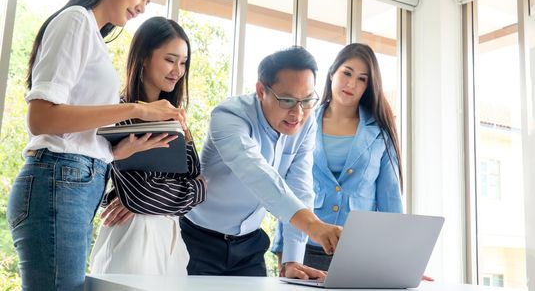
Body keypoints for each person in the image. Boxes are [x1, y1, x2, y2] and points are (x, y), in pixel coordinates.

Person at [6, 0, 184, 291]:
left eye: (149, 1)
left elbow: (72, 128)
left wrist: (116, 152)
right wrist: (138, 109)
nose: (142, 6)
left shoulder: (91, 34)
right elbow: (41, 118)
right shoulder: (75, 20)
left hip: (74, 180)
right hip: (59, 180)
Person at [180, 46, 342, 280]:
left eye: (307, 100)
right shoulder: (228, 116)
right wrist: (313, 225)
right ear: (260, 90)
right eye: (287, 100)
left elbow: (300, 185)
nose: (297, 113)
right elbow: (257, 174)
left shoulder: (306, 124)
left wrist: (292, 259)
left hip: (250, 246)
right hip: (197, 241)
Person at [89, 17, 207, 276]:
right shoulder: (118, 113)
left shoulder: (175, 118)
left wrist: (183, 190)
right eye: (169, 59)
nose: (178, 70)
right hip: (133, 236)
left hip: (172, 240)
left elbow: (201, 189)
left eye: (183, 62)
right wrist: (183, 191)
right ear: (143, 57)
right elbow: (139, 194)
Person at [272, 43, 404, 272]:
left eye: (362, 79)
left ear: (369, 86)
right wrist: (284, 252)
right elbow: (289, 190)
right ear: (332, 72)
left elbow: (390, 201)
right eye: (347, 73)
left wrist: (403, 259)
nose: (352, 84)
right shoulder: (302, 120)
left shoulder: (380, 132)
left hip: (361, 254)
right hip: (306, 249)